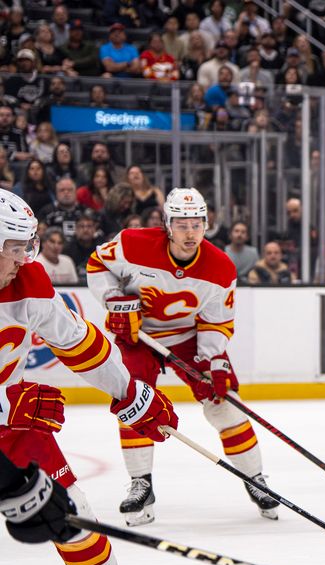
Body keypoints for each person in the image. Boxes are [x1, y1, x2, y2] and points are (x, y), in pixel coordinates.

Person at [0, 188, 176, 565]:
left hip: (13, 430)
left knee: (69, 507)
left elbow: (80, 344)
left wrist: (129, 391)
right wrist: (6, 406)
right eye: (15, 248)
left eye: (27, 246)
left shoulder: (29, 283)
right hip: (10, 414)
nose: (25, 258)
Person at [86, 188, 279, 525]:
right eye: (182, 224)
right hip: (138, 335)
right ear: (167, 224)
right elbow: (97, 263)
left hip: (190, 336)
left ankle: (255, 478)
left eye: (197, 224)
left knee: (224, 404)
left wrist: (212, 361)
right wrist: (114, 300)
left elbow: (217, 321)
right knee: (135, 402)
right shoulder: (133, 243)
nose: (190, 233)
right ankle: (141, 484)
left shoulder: (220, 267)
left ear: (206, 225)